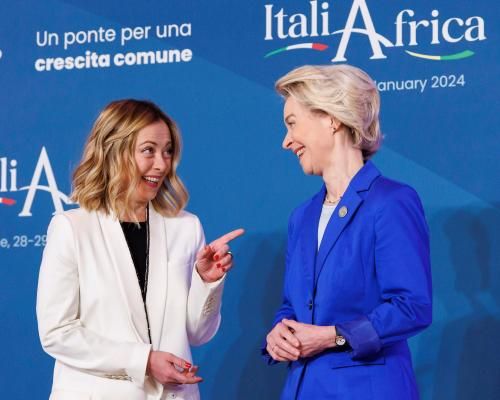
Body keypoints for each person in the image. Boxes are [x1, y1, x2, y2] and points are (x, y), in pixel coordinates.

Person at [37, 99, 244, 400]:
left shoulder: (186, 227)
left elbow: (198, 334)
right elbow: (57, 333)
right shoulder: (72, 228)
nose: (162, 164)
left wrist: (207, 282)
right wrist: (143, 361)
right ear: (114, 151)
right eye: (148, 150)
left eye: (168, 151)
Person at [263, 65, 432, 399]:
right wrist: (279, 333)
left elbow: (411, 306)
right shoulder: (302, 217)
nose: (286, 141)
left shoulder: (391, 202)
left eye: (292, 123)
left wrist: (332, 336)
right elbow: (293, 306)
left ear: (331, 119)